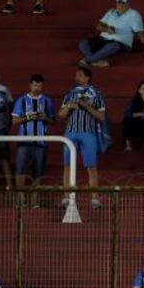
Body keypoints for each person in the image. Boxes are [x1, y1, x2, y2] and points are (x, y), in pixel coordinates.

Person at [59, 67, 106, 209]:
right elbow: (61, 114)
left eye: (80, 75)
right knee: (67, 166)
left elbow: (101, 116)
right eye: (76, 75)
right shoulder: (69, 94)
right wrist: (69, 107)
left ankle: (95, 198)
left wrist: (87, 106)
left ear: (87, 78)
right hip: (71, 133)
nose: (76, 77)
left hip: (88, 133)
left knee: (91, 166)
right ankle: (66, 197)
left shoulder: (96, 94)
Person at [11, 74, 56, 206]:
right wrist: (27, 118)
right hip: (24, 142)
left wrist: (44, 117)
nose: (37, 88)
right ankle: (20, 200)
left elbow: (52, 121)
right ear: (30, 85)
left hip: (41, 143)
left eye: (39, 86)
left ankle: (35, 202)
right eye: (35, 85)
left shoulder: (47, 101)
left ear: (42, 86)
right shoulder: (21, 100)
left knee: (38, 173)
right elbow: (14, 121)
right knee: (20, 171)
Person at [79, 0, 144, 67]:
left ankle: (88, 60)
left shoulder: (135, 15)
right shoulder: (111, 12)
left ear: (128, 3)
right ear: (116, 3)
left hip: (121, 43)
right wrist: (107, 29)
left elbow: (140, 33)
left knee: (112, 46)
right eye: (119, 3)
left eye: (123, 3)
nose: (121, 5)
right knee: (83, 43)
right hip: (103, 39)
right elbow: (98, 26)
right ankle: (96, 59)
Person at [122, 81, 144, 153]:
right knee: (126, 120)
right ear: (139, 90)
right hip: (135, 124)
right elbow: (127, 114)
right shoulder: (134, 100)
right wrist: (141, 114)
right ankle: (128, 145)